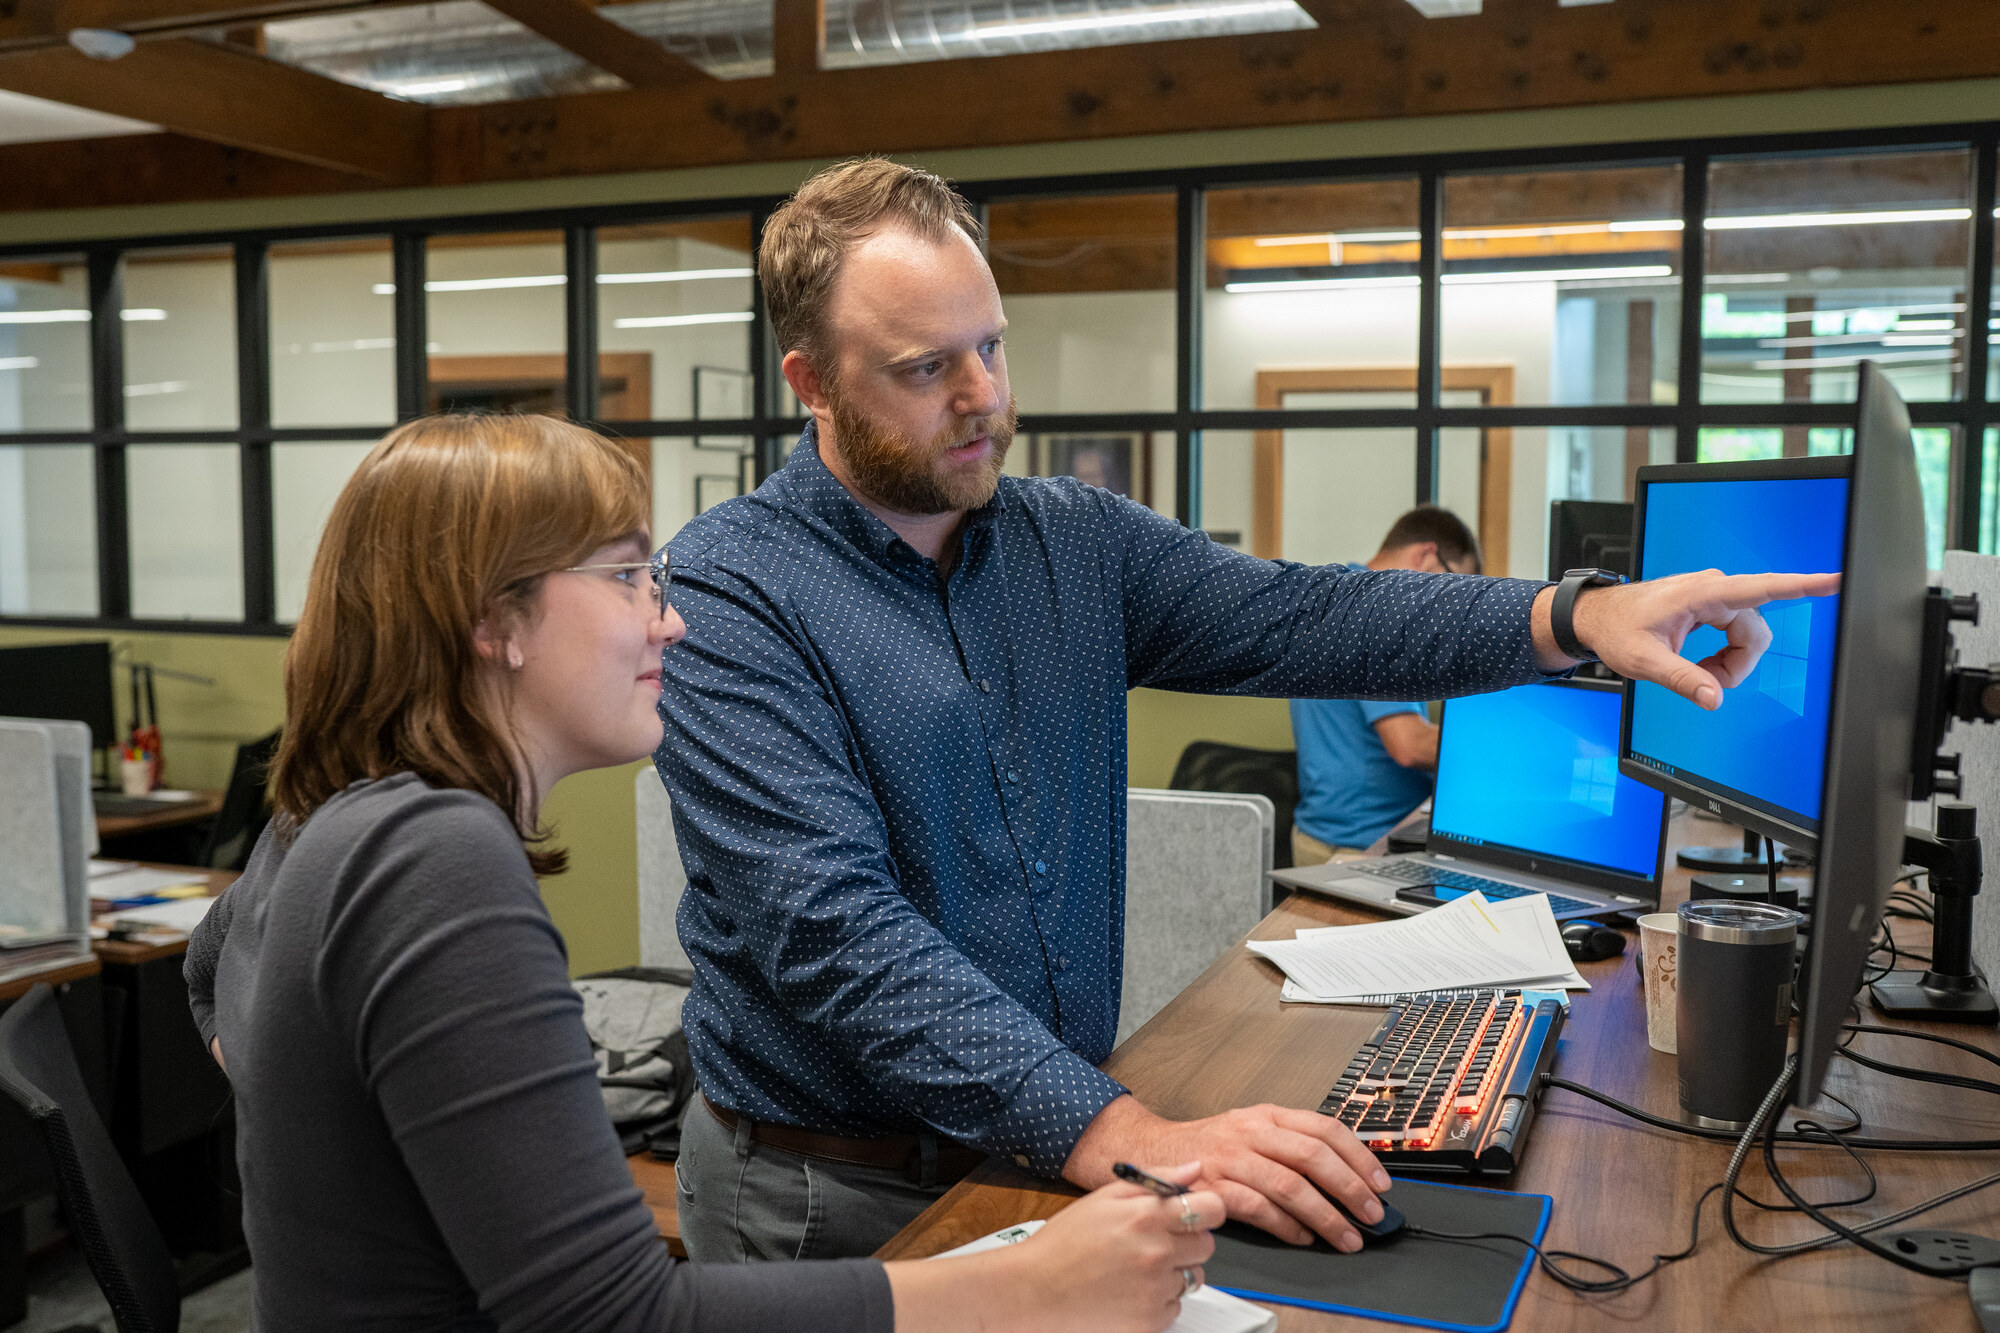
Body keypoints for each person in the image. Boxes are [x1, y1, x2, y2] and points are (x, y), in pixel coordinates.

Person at [653, 158, 1839, 1267]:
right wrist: (1131, 1128)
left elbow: (1308, 617)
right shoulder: (730, 591)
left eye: (991, 347)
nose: (982, 398)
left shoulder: (1072, 543)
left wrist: (1571, 617)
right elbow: (835, 936)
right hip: (830, 1191)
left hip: (1034, 1148)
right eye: (925, 368)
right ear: (809, 382)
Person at [182, 414, 1225, 1333]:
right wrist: (1031, 1286)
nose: (667, 619)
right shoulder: (437, 857)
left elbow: (208, 965)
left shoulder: (324, 820)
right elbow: (616, 1311)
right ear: (491, 620)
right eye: (627, 574)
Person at [1288, 505, 1481, 866]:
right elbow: (1409, 746)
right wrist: (1504, 749)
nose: (1452, 601)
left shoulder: (1330, 593)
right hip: (1362, 846)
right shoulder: (1379, 612)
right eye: (1456, 581)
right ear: (1426, 556)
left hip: (1318, 836)